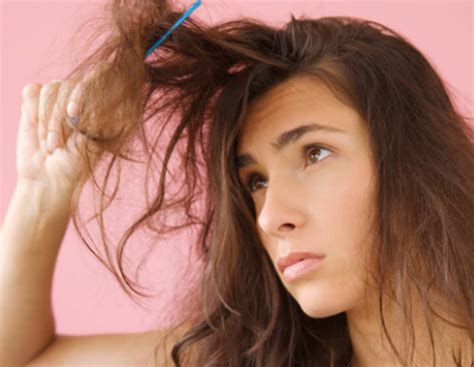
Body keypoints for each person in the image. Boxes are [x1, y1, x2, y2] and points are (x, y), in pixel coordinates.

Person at [1, 0, 473, 366]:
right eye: (255, 181)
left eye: (315, 153)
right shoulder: (249, 356)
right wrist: (43, 190)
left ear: (416, 162)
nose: (270, 216)